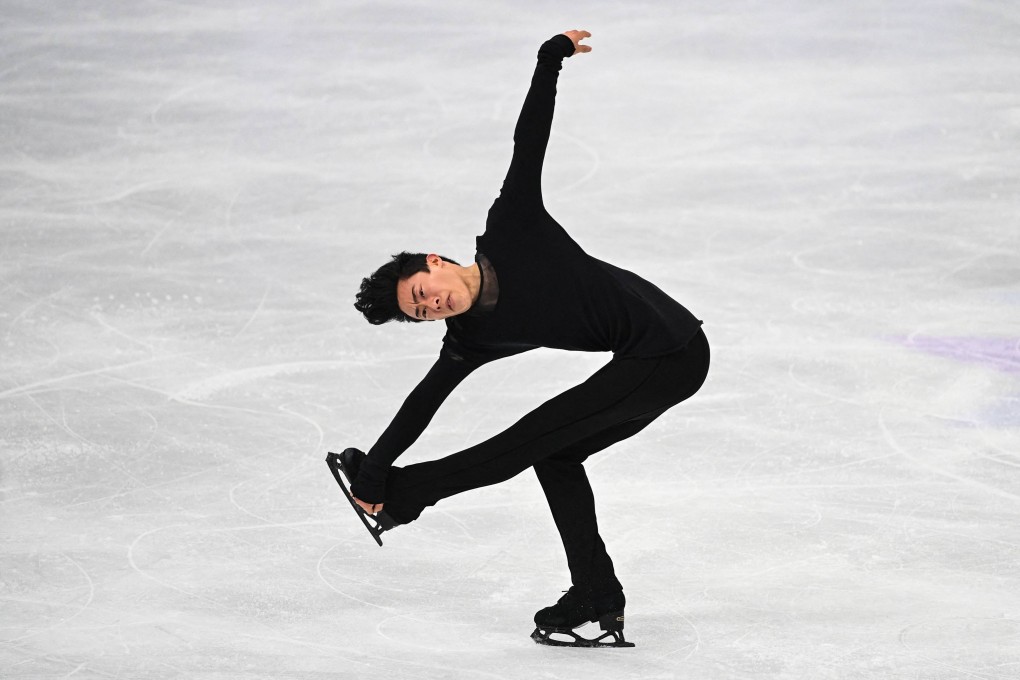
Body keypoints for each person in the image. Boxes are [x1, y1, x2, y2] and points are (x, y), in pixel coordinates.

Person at [343, 29, 710, 647]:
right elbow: (425, 399)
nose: (432, 305)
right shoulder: (474, 334)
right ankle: (596, 592)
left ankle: (411, 496)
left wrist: (550, 60)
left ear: (433, 260)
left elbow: (529, 139)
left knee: (529, 438)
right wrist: (376, 465)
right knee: (554, 453)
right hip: (647, 360)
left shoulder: (512, 225)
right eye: (421, 313)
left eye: (422, 291)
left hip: (670, 348)